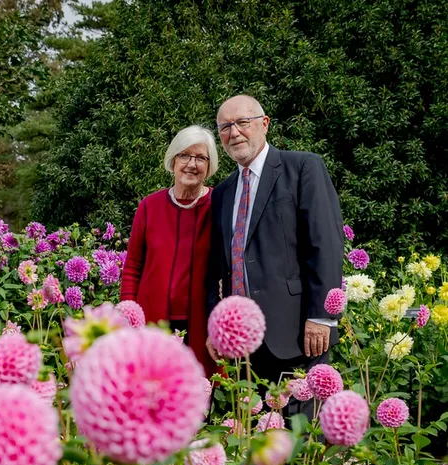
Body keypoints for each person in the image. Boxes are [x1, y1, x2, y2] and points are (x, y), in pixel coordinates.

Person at [206, 95, 344, 412]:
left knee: (299, 440)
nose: (234, 132)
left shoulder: (302, 168)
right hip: (245, 342)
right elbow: (216, 268)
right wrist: (217, 327)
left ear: (264, 124)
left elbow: (325, 243)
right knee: (255, 443)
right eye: (225, 126)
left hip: (297, 330)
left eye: (242, 122)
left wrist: (321, 317)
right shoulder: (224, 192)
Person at [121, 125, 219, 376]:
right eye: (184, 155)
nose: (191, 164)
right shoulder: (149, 206)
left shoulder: (220, 205)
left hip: (202, 324)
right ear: (173, 160)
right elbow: (133, 267)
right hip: (153, 320)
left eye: (200, 157)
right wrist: (128, 315)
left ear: (209, 166)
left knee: (201, 395)